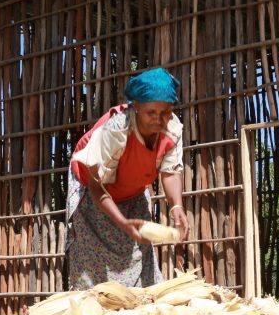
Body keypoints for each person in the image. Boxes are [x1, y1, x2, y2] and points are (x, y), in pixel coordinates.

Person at [66, 67, 189, 290]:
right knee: (93, 266)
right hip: (94, 188)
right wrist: (122, 222)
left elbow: (170, 171)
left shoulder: (172, 128)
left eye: (165, 112)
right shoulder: (117, 128)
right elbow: (96, 186)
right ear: (137, 107)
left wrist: (176, 206)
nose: (159, 119)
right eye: (151, 112)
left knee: (140, 256)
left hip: (131, 188)